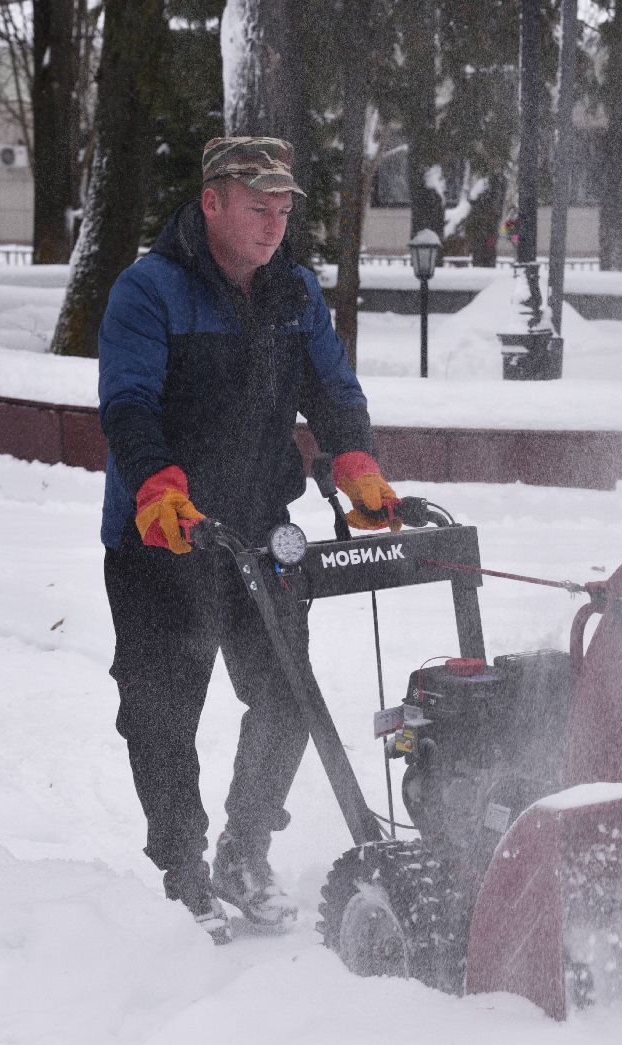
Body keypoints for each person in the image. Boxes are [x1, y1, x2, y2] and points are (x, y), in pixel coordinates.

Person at [96, 136, 399, 944]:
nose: (274, 221)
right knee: (164, 712)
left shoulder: (294, 292)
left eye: (285, 207)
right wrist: (157, 484)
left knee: (286, 695)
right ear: (213, 203)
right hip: (165, 535)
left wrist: (356, 458)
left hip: (262, 529)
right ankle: (184, 870)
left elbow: (333, 389)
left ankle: (244, 851)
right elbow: (128, 402)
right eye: (258, 205)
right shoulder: (148, 291)